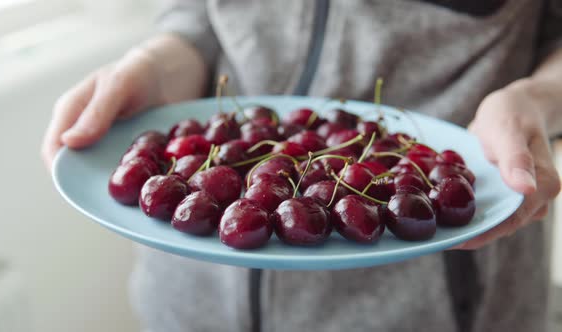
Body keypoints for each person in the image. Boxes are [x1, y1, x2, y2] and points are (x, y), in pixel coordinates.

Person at [42, 1, 562, 331]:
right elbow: (200, 13)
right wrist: (166, 57)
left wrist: (538, 97)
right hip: (191, 291)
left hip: (432, 302)